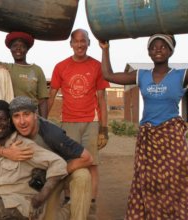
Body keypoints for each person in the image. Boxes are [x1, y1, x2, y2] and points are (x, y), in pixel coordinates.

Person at [99, 34, 188, 219]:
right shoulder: (141, 75)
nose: (158, 49)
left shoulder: (181, 74)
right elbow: (108, 75)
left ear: (171, 51)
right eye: (153, 47)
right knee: (148, 179)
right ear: (148, 52)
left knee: (175, 179)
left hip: (171, 136)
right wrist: (105, 49)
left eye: (163, 46)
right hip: (148, 137)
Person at [0, 96, 93, 220]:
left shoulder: (51, 134)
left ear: (35, 115)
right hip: (37, 180)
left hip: (62, 171)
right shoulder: (12, 126)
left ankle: (77, 214)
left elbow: (87, 158)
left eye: (26, 114)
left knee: (82, 175)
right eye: (17, 116)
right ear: (10, 119)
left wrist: (51, 175)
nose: (22, 121)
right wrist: (5, 152)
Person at [47, 28, 110, 215]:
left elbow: (102, 99)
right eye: (76, 41)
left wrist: (104, 128)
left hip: (91, 123)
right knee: (69, 163)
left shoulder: (97, 66)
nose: (80, 44)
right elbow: (51, 96)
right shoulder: (61, 67)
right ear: (71, 44)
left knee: (92, 165)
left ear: (89, 43)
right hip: (68, 122)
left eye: (84, 41)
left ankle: (90, 205)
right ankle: (68, 201)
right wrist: (40, 119)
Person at [0, 18, 49, 118]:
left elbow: (43, 101)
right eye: (15, 46)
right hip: (13, 117)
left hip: (32, 117)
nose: (18, 48)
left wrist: (44, 123)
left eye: (22, 46)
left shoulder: (37, 70)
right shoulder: (5, 68)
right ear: (10, 49)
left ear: (27, 49)